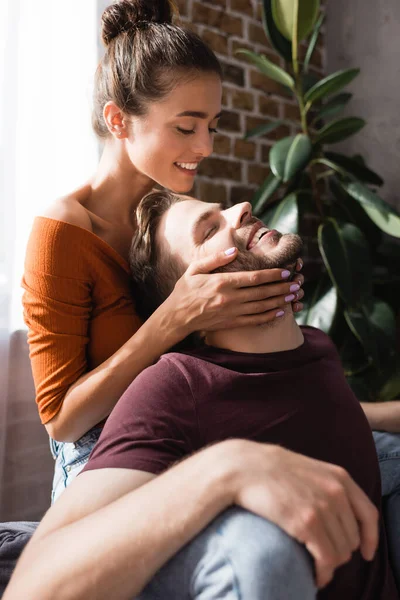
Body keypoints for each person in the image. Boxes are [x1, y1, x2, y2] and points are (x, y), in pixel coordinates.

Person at [4, 192, 396, 600]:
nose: (242, 208)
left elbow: (326, 417)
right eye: (209, 229)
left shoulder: (315, 349)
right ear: (194, 295)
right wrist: (225, 470)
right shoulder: (176, 386)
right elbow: (33, 586)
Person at [21, 0, 304, 503]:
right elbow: (63, 420)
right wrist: (172, 318)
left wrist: (266, 292)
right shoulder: (63, 231)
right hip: (103, 464)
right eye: (186, 127)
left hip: (196, 431)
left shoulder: (177, 215)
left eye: (212, 126)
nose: (206, 146)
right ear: (118, 120)